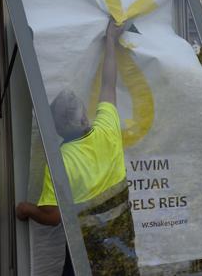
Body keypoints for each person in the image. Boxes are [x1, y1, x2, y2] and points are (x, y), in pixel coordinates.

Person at [16, 19, 139, 275]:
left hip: (87, 251)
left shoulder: (61, 159)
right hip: (121, 242)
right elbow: (108, 82)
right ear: (85, 115)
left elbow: (52, 217)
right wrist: (110, 40)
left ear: (58, 130)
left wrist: (27, 209)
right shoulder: (107, 127)